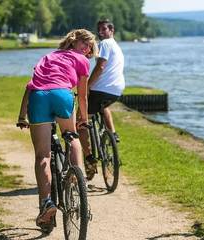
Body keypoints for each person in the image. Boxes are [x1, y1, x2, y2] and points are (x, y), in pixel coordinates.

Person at [16, 29, 98, 230]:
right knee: (72, 136)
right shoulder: (82, 60)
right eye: (85, 44)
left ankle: (46, 203)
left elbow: (31, 86)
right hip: (62, 95)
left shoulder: (48, 56)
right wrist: (83, 119)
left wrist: (21, 116)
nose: (87, 49)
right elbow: (83, 95)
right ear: (74, 42)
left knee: (42, 156)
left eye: (90, 47)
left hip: (39, 98)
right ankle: (79, 184)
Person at [78, 19, 125, 181]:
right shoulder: (116, 46)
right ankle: (112, 134)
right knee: (103, 106)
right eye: (99, 30)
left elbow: (101, 67)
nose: (101, 32)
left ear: (112, 30)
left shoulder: (105, 44)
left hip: (101, 89)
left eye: (104, 29)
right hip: (116, 90)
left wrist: (88, 86)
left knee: (81, 120)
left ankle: (90, 159)